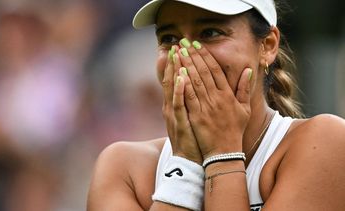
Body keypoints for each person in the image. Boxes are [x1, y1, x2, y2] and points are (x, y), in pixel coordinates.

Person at [87, 0, 345, 210]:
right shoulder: (122, 168)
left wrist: (222, 153)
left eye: (210, 32)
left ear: (267, 46)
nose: (186, 53)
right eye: (168, 38)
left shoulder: (325, 141)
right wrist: (186, 162)